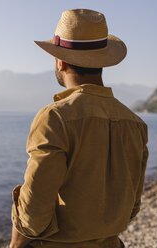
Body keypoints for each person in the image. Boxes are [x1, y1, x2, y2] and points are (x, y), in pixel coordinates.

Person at [10, 9, 148, 248]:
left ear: (60, 61)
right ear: (102, 62)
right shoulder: (135, 123)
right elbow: (132, 207)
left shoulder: (55, 117)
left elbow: (33, 215)